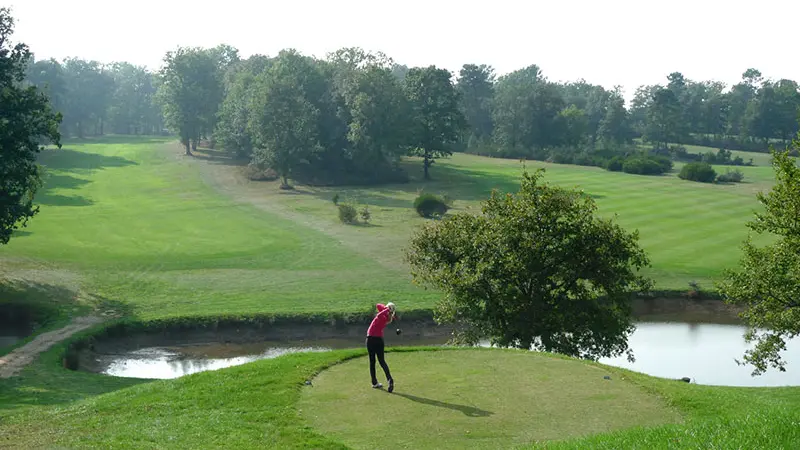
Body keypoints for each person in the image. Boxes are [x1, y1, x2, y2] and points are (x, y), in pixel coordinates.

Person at [366, 302, 395, 392]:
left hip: (371, 339)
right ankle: (389, 379)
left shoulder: (382, 316)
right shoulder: (387, 317)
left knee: (372, 362)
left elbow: (378, 309)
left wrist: (387, 309)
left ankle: (374, 383)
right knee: (382, 361)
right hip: (379, 340)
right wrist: (389, 309)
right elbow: (378, 305)